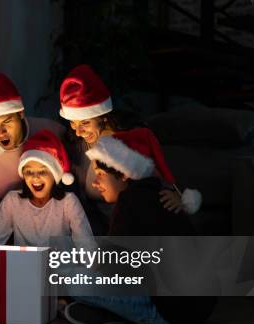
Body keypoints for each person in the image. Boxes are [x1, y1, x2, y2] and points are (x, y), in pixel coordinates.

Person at [64, 129, 216, 324]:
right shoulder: (157, 196)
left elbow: (109, 267)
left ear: (124, 174)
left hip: (172, 313)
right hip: (200, 308)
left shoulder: (131, 203)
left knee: (71, 280)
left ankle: (118, 312)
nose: (95, 182)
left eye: (101, 174)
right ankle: (115, 311)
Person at [58, 64, 201, 234]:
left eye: (85, 123)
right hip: (93, 229)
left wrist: (178, 196)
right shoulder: (76, 142)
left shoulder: (130, 144)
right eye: (73, 123)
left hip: (132, 229)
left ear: (103, 116)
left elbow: (160, 178)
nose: (78, 131)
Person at [0, 72, 66, 247]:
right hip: (10, 238)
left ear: (21, 113)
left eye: (6, 121)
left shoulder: (53, 133)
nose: (0, 132)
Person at [0, 129, 96, 250]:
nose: (35, 177)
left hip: (60, 268)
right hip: (25, 267)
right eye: (29, 172)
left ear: (54, 174)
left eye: (42, 171)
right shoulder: (12, 200)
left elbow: (86, 244)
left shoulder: (68, 201)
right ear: (23, 175)